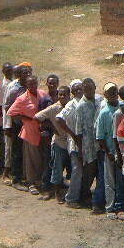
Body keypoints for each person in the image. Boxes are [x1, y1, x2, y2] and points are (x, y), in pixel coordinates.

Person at [7, 75, 47, 195]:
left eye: (35, 83)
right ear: (26, 85)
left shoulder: (43, 94)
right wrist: (27, 118)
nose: (33, 86)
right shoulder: (22, 98)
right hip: (29, 132)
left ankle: (40, 180)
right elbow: (11, 112)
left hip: (42, 133)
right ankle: (31, 183)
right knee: (30, 159)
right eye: (30, 84)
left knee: (40, 158)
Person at [35, 85, 71, 204]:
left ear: (69, 95)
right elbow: (37, 117)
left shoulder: (72, 106)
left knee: (72, 169)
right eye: (60, 94)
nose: (62, 96)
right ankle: (57, 193)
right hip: (59, 143)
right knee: (57, 168)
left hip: (71, 142)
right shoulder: (53, 108)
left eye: (64, 94)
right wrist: (51, 127)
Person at [74, 78, 104, 212]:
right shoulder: (80, 106)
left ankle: (97, 199)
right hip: (88, 145)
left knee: (100, 173)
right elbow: (78, 131)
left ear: (95, 87)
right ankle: (82, 196)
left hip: (100, 143)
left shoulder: (100, 100)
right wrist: (80, 150)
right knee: (89, 173)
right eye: (85, 89)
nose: (88, 91)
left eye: (90, 88)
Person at [55, 79, 84, 207]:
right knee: (76, 171)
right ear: (72, 91)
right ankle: (71, 199)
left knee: (83, 170)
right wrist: (72, 134)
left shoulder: (86, 101)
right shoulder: (72, 104)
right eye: (76, 89)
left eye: (80, 88)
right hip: (75, 143)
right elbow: (59, 118)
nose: (79, 91)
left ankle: (81, 194)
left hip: (87, 143)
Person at [95, 82, 122, 219]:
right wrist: (108, 152)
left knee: (121, 180)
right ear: (105, 95)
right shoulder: (104, 113)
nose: (112, 94)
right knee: (109, 181)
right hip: (110, 153)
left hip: (122, 153)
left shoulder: (122, 109)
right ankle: (109, 207)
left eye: (114, 91)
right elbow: (100, 137)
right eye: (109, 92)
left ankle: (119, 206)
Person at [5, 63, 31, 189]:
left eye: (28, 73)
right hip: (17, 125)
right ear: (19, 75)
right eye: (24, 73)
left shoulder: (31, 88)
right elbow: (7, 108)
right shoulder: (14, 90)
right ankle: (16, 179)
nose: (27, 75)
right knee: (17, 152)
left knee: (27, 152)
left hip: (30, 126)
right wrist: (9, 125)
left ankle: (26, 176)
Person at [0, 62, 14, 183]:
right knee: (8, 148)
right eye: (8, 70)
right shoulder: (5, 86)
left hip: (15, 121)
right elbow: (4, 107)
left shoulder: (13, 83)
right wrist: (6, 125)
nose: (10, 72)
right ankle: (6, 173)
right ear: (3, 72)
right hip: (8, 121)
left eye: (11, 70)